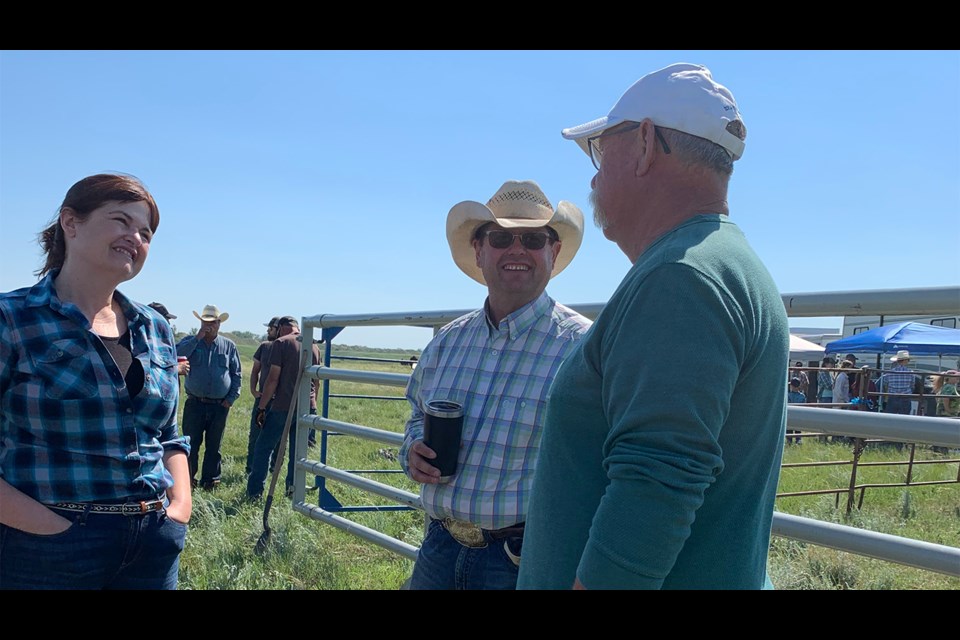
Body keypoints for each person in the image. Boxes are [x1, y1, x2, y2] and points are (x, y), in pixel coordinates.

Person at [516, 63, 789, 590]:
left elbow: (657, 482)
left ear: (643, 143)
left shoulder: (679, 278)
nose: (593, 175)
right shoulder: (723, 263)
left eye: (600, 149)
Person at [0, 173, 191, 589]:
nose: (135, 237)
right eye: (121, 220)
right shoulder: (12, 318)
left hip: (154, 540)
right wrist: (44, 524)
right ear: (71, 223)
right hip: (45, 545)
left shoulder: (154, 327)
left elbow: (170, 434)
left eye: (146, 231)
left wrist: (180, 505)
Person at [400, 179, 592, 590]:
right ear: (480, 251)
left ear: (553, 253)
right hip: (439, 544)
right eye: (501, 238)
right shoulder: (448, 341)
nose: (517, 249)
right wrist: (411, 450)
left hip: (524, 556)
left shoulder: (584, 348)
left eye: (533, 239)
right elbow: (417, 414)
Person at [246, 316, 321, 500]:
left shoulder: (280, 343)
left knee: (263, 447)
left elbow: (272, 379)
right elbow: (317, 381)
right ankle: (292, 489)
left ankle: (255, 492)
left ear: (281, 328)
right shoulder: (313, 346)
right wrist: (313, 405)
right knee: (298, 452)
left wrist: (262, 407)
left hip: (282, 405)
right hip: (306, 407)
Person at [176, 304, 241, 490]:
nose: (209, 325)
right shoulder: (190, 341)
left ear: (219, 323)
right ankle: (188, 480)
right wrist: (197, 337)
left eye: (212, 322)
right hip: (195, 402)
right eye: (206, 321)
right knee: (191, 443)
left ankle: (210, 481)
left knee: (214, 445)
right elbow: (177, 354)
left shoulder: (228, 345)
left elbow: (236, 374)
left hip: (219, 405)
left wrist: (231, 398)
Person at [246, 316, 280, 476]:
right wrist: (253, 390)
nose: (268, 330)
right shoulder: (264, 347)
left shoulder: (286, 348)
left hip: (280, 401)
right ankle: (250, 469)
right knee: (255, 435)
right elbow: (255, 371)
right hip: (263, 399)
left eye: (271, 328)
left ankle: (274, 470)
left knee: (279, 440)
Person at [148, 301, 189, 375]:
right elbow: (150, 371)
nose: (169, 324)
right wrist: (176, 369)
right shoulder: (146, 343)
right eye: (166, 320)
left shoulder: (161, 342)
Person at [880, 350, 917, 415]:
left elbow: (885, 384)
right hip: (905, 397)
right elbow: (912, 386)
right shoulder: (911, 373)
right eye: (908, 360)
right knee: (904, 419)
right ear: (905, 360)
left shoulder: (889, 373)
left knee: (890, 418)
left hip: (893, 397)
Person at [786, 378, 806, 444]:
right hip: (799, 416)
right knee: (798, 429)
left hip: (790, 415)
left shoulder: (788, 395)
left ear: (791, 386)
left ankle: (789, 441)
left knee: (789, 429)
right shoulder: (802, 396)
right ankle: (798, 440)